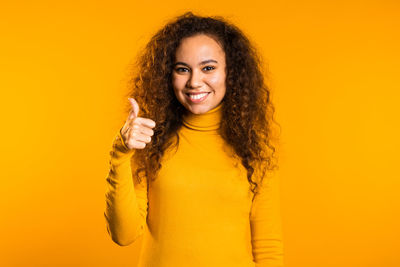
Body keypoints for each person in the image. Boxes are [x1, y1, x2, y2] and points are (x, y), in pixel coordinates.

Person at [104, 11, 284, 267]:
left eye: (208, 68)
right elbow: (123, 235)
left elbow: (268, 248)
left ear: (230, 73)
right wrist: (120, 154)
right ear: (169, 75)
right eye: (182, 69)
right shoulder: (149, 142)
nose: (194, 82)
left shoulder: (256, 150)